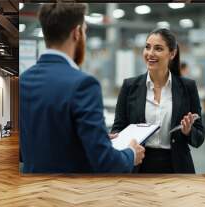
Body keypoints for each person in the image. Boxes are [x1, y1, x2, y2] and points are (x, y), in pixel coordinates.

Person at [19, 3, 145, 173]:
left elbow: (25, 148)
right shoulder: (83, 84)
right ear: (77, 33)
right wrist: (131, 154)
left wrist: (90, 139)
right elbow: (105, 162)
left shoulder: (23, 80)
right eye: (85, 31)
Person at [111, 28, 205, 173]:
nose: (150, 53)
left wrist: (188, 131)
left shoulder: (187, 87)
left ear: (172, 53)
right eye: (147, 47)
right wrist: (115, 138)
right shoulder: (129, 87)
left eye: (158, 48)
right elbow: (117, 129)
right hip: (138, 166)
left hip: (177, 167)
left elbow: (199, 138)